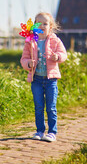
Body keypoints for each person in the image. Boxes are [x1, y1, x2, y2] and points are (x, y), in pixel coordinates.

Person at [20, 12, 67, 142]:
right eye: (39, 23)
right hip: (36, 79)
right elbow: (24, 58)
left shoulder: (55, 40)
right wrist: (28, 63)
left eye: (45, 23)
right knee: (39, 106)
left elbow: (63, 54)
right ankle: (40, 131)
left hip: (50, 79)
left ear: (50, 26)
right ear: (34, 26)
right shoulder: (30, 41)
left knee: (51, 106)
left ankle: (52, 132)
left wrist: (57, 57)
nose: (42, 26)